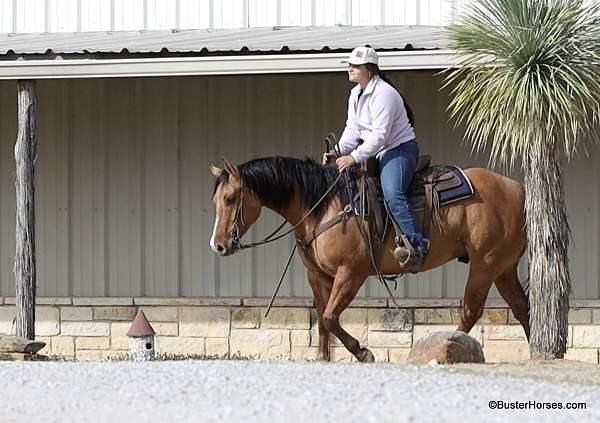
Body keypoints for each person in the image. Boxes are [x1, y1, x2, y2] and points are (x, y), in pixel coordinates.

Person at [322, 46, 428, 272]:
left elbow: (380, 135)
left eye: (355, 66)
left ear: (369, 70)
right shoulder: (355, 94)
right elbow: (353, 129)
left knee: (392, 193)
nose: (349, 69)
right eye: (350, 65)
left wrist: (353, 157)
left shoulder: (385, 94)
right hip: (376, 152)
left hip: (399, 149)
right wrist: (339, 151)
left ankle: (416, 245)